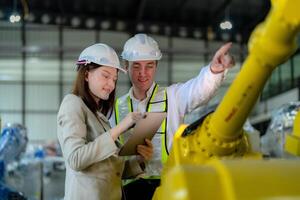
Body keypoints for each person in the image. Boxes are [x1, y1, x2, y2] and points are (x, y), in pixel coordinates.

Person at [109, 33, 235, 199]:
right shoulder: (115, 108)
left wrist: (214, 71)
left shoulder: (174, 96)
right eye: (136, 66)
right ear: (126, 66)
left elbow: (199, 90)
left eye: (149, 66)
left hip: (168, 187)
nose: (143, 73)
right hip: (130, 191)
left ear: (156, 66)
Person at [57, 43, 153, 200]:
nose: (111, 85)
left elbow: (112, 171)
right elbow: (76, 159)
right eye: (106, 76)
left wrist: (140, 160)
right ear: (87, 74)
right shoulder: (72, 103)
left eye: (114, 79)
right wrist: (121, 127)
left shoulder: (98, 116)